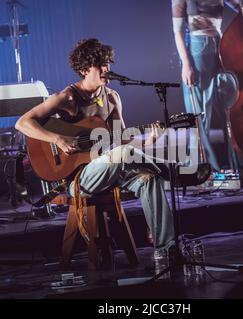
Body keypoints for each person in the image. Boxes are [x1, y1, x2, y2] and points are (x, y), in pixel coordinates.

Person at [15, 39, 177, 263]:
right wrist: (58, 138)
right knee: (117, 157)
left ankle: (165, 251)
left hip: (111, 167)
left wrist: (148, 140)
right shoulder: (67, 98)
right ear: (83, 69)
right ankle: (172, 171)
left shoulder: (112, 98)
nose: (107, 69)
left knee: (149, 181)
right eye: (100, 64)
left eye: (107, 63)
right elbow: (22, 123)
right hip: (80, 178)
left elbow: (122, 142)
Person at [172, 0, 243, 175]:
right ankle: (206, 169)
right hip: (198, 48)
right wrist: (186, 64)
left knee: (228, 107)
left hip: (220, 45)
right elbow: (177, 31)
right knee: (199, 111)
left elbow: (241, 7)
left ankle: (238, 165)